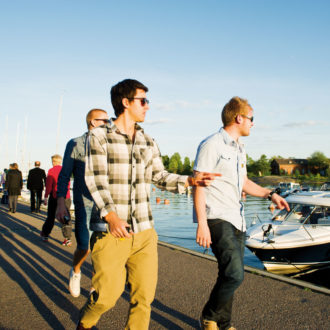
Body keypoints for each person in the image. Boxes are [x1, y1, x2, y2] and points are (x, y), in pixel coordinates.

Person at [76, 79, 219, 330]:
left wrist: (191, 180)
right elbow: (95, 181)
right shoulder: (98, 137)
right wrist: (111, 217)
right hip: (111, 232)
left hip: (144, 232)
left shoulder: (148, 140)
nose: (147, 106)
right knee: (107, 296)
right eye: (143, 100)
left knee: (143, 299)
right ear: (125, 103)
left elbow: (160, 176)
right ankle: (86, 323)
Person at [193, 96, 290, 330]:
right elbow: (198, 183)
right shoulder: (212, 144)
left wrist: (270, 194)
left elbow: (244, 183)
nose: (253, 123)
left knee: (229, 274)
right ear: (239, 118)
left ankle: (223, 324)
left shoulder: (239, 149)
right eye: (251, 118)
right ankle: (209, 316)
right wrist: (202, 223)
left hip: (237, 218)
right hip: (217, 217)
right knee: (235, 274)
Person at [56, 108, 109, 298]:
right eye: (105, 120)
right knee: (84, 246)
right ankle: (76, 271)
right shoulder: (76, 144)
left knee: (101, 248)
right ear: (93, 122)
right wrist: (61, 203)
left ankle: (95, 283)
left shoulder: (110, 144)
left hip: (105, 203)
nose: (109, 123)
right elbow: (64, 176)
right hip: (83, 201)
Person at [40, 154, 71, 245]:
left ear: (53, 161)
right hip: (66, 196)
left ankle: (45, 234)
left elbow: (49, 185)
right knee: (66, 217)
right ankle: (67, 238)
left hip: (55, 197)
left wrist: (46, 197)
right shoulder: (66, 170)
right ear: (60, 161)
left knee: (51, 217)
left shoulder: (51, 171)